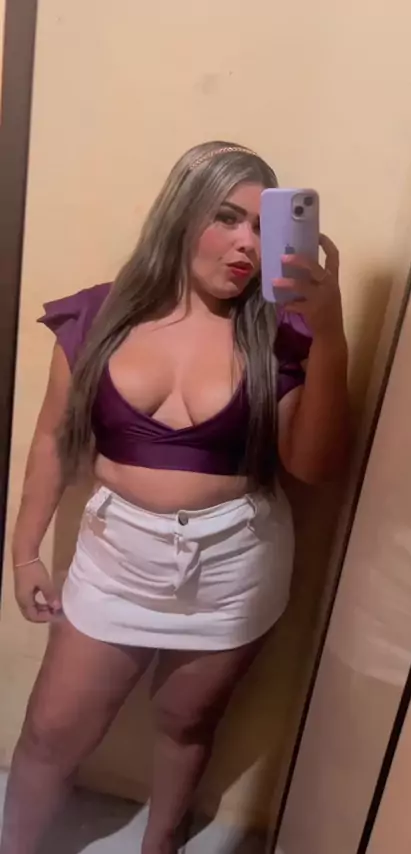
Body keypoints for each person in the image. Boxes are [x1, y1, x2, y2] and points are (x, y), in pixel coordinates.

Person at [0, 141, 350, 854]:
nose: (247, 244)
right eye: (226, 218)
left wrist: (331, 334)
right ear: (181, 215)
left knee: (186, 726)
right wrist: (25, 550)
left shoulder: (282, 334)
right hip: (116, 561)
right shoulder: (97, 316)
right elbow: (52, 441)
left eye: (263, 227)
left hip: (232, 565)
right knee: (48, 736)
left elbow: (313, 467)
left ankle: (160, 843)